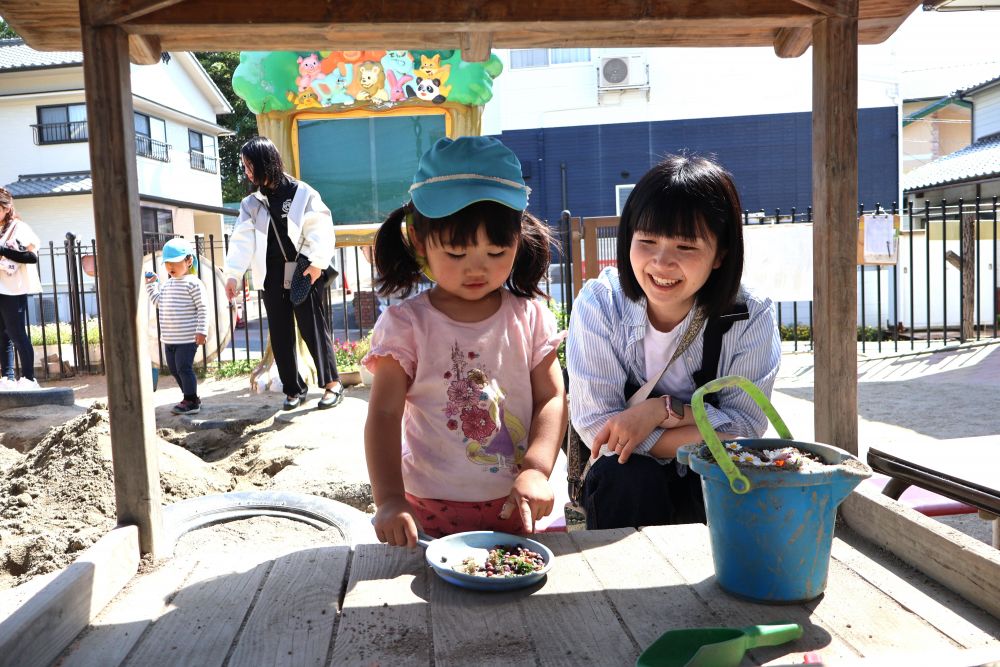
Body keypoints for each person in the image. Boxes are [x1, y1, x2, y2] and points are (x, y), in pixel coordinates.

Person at [363, 136, 567, 547]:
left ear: (518, 237)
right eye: (457, 254)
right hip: (429, 506)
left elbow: (552, 397)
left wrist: (535, 468)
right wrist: (388, 500)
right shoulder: (406, 325)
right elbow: (384, 415)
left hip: (522, 502)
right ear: (419, 242)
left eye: (496, 251)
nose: (478, 269)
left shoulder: (528, 317)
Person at [566, 155, 781, 530]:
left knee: (719, 475)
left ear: (721, 255)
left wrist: (659, 412)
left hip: (704, 479)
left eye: (686, 247)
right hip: (625, 487)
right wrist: (705, 431)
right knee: (629, 476)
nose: (661, 264)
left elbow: (745, 432)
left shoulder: (750, 315)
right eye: (647, 241)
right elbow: (598, 431)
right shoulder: (600, 303)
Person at [224, 136, 343, 410]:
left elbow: (320, 227)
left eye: (249, 165)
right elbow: (241, 240)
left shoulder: (302, 193)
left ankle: (332, 384)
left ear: (265, 163)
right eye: (245, 166)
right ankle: (293, 389)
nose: (246, 172)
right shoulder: (251, 203)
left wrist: (317, 264)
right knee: (280, 333)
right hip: (270, 275)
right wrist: (233, 275)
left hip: (303, 270)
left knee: (312, 328)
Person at [146, 238, 208, 414]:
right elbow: (160, 302)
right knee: (174, 369)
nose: (170, 267)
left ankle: (190, 401)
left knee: (183, 368)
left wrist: (202, 330)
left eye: (175, 262)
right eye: (167, 263)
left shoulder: (194, 283)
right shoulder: (167, 284)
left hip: (187, 338)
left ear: (189, 261)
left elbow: (203, 308)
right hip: (170, 338)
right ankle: (191, 397)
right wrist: (152, 286)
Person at [0, 187, 42, 386]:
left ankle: (28, 378)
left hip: (13, 289)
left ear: (7, 208)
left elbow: (31, 257)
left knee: (16, 332)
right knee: (1, 335)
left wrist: (2, 250)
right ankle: (7, 378)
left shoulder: (19, 228)